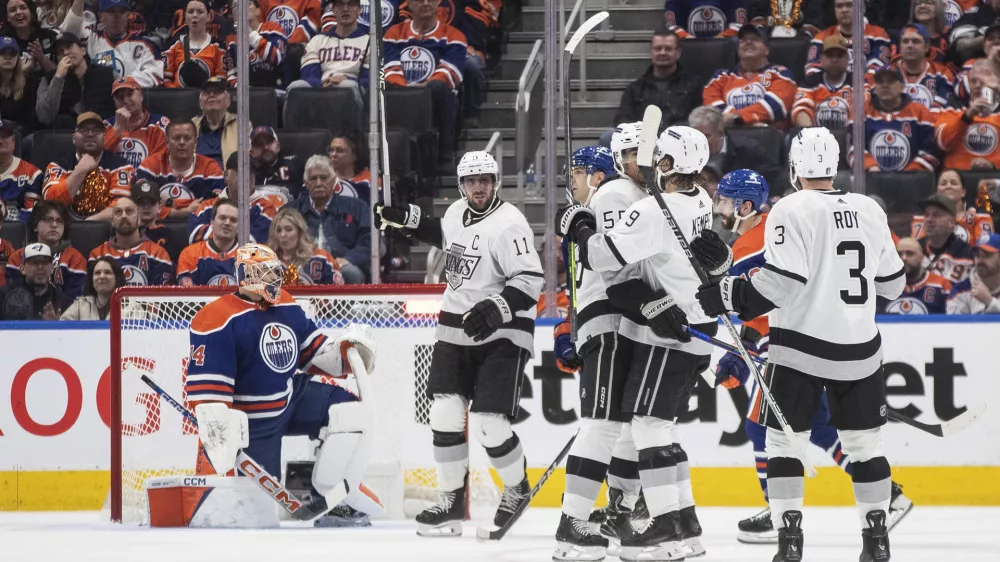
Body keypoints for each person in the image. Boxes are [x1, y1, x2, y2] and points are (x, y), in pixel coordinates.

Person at [692, 127, 905, 562]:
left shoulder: (791, 207)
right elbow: (894, 285)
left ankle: (789, 542)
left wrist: (726, 296)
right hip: (861, 351)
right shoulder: (869, 208)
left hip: (798, 352)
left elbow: (780, 285)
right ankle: (876, 541)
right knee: (866, 448)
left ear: (794, 169)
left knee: (784, 445)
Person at [556, 126, 717, 561]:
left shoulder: (651, 207)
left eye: (647, 153)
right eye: (631, 153)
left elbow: (598, 255)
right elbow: (614, 277)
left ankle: (665, 525)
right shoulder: (678, 198)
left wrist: (579, 227)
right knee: (632, 426)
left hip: (661, 326)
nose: (639, 161)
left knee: (644, 426)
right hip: (630, 319)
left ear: (664, 163)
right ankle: (672, 525)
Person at [373, 151, 543, 536]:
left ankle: (516, 488)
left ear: (495, 182)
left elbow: (531, 281)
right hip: (454, 329)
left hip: (504, 332)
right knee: (444, 415)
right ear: (462, 185)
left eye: (485, 179)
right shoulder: (456, 213)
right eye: (472, 181)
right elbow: (445, 233)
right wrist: (406, 219)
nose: (479, 187)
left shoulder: (510, 224)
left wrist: (497, 306)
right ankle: (450, 502)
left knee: (489, 424)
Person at [184, 243, 382, 524]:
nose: (273, 279)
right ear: (245, 275)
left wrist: (346, 352)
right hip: (251, 424)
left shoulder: (286, 303)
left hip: (290, 399)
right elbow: (211, 399)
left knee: (349, 413)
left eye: (273, 272)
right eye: (264, 273)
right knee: (256, 516)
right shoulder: (215, 319)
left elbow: (313, 353)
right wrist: (223, 440)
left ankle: (332, 502)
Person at [551, 141, 648, 562]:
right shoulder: (608, 201)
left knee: (620, 425)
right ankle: (573, 523)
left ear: (594, 174)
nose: (571, 185)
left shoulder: (606, 196)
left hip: (611, 319)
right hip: (609, 320)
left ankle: (613, 513)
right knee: (606, 424)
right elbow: (595, 272)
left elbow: (602, 262)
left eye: (575, 175)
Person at [383, 0, 467, 162]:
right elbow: (389, 68)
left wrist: (423, 90)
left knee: (440, 88)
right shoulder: (394, 33)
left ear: (438, 4)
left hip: (435, 94)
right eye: (419, 0)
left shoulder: (454, 35)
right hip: (401, 93)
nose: (426, 3)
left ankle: (445, 155)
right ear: (409, 5)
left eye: (430, 0)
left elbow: (451, 72)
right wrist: (409, 90)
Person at [605, 29, 702, 145]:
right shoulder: (635, 89)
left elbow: (698, 117)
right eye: (658, 48)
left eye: (668, 49)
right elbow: (623, 119)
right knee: (607, 137)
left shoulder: (694, 84)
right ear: (651, 53)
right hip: (642, 143)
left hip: (680, 142)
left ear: (678, 53)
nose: (662, 52)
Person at [291, 155, 370, 284]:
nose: (318, 183)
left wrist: (349, 259)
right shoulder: (291, 211)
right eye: (313, 178)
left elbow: (369, 241)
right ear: (305, 183)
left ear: (334, 180)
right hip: (301, 266)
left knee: (350, 273)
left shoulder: (357, 207)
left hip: (344, 266)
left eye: (324, 178)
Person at [42, 111, 134, 221]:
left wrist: (88, 225)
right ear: (73, 138)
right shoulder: (58, 165)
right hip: (64, 229)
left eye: (96, 130)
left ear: (104, 137)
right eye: (83, 130)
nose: (90, 134)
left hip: (107, 230)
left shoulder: (121, 166)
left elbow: (121, 206)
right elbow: (51, 202)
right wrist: (80, 170)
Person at [702, 24, 797, 128]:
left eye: (755, 39)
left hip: (768, 136)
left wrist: (736, 117)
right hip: (728, 135)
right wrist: (740, 121)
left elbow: (777, 106)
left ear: (767, 50)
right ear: (738, 50)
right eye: (743, 40)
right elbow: (711, 106)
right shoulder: (721, 76)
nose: (748, 42)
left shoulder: (781, 73)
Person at [849, 66, 939, 173]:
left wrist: (911, 173)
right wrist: (871, 168)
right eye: (880, 82)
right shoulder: (862, 111)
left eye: (891, 81)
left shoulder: (920, 112)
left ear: (902, 86)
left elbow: (931, 150)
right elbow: (853, 147)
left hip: (912, 183)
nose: (885, 85)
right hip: (872, 181)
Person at [291, 0, 368, 122]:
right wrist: (322, 84)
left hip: (353, 89)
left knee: (348, 86)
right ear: (333, 10)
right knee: (295, 87)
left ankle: (352, 136)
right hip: (321, 86)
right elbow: (308, 73)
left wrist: (348, 80)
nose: (345, 9)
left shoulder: (370, 42)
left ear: (359, 10)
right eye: (340, 5)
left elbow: (370, 79)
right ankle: (294, 137)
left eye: (351, 4)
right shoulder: (318, 40)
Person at [60, 0, 164, 87]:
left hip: (129, 103)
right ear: (101, 17)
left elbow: (155, 75)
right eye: (111, 11)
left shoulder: (144, 45)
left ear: (128, 16)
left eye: (122, 11)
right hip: (96, 103)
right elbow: (68, 31)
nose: (117, 16)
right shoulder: (91, 38)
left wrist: (122, 82)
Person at [137, 119, 225, 219]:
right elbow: (143, 208)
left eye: (187, 138)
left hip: (198, 227)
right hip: (155, 229)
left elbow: (217, 206)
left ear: (196, 142)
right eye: (176, 138)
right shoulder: (150, 165)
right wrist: (185, 211)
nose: (182, 142)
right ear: (167, 142)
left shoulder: (210, 167)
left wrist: (166, 202)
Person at [35, 31, 116, 128]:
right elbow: (45, 117)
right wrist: (58, 78)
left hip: (103, 132)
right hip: (67, 136)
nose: (65, 53)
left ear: (83, 50)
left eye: (69, 47)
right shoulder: (49, 79)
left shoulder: (106, 74)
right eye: (60, 51)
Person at [5, 200, 86, 297]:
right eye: (48, 220)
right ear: (35, 225)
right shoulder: (18, 258)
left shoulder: (75, 259)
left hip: (63, 310)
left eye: (59, 221)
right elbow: (13, 298)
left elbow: (75, 301)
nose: (54, 225)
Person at [688, 106, 782, 190]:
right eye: (696, 136)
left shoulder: (748, 150)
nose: (700, 141)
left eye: (706, 136)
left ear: (720, 132)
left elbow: (774, 180)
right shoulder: (686, 154)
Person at [89, 197, 174, 285]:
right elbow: (90, 295)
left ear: (139, 220)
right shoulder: (97, 254)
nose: (124, 216)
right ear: (112, 222)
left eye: (129, 211)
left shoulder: (158, 254)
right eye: (118, 212)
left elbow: (161, 296)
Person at [935, 60, 1000, 171]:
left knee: (985, 188)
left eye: (983, 81)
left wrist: (993, 166)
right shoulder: (955, 106)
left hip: (992, 178)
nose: (977, 86)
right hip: (958, 180)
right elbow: (943, 142)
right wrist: (968, 116)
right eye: (973, 81)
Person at [806, 0, 891, 79]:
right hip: (832, 92)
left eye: (849, 5)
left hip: (866, 91)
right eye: (839, 6)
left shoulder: (877, 34)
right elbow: (813, 73)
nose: (844, 10)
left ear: (861, 7)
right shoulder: (821, 38)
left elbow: (878, 70)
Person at [103, 76, 169, 169]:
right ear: (114, 101)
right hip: (113, 180)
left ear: (141, 95)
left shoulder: (159, 125)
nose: (125, 101)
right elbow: (99, 159)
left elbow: (161, 162)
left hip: (147, 179)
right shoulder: (107, 125)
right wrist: (117, 128)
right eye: (120, 97)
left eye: (130, 94)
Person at [911, 169, 993, 243]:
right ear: (937, 192)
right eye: (943, 184)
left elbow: (985, 250)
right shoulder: (924, 218)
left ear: (963, 192)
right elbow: (917, 249)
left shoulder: (980, 217)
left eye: (954, 183)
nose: (948, 186)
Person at [268, 207, 343, 286]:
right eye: (278, 230)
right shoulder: (267, 262)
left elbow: (339, 293)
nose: (283, 235)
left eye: (288, 229)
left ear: (300, 232)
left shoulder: (322, 259)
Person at [792, 34, 853, 129]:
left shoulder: (857, 83)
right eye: (830, 55)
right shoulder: (810, 81)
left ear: (847, 59)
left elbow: (861, 115)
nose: (834, 60)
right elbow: (801, 109)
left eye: (839, 56)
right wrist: (812, 136)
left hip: (849, 139)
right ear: (821, 59)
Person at [0, 242, 73, 319]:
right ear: (22, 269)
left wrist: (56, 327)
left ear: (52, 269)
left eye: (45, 262)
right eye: (34, 262)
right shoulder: (4, 295)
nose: (40, 267)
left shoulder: (63, 302)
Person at [176, 198, 240, 286]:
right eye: (222, 218)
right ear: (212, 223)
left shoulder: (252, 257)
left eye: (233, 220)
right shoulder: (190, 254)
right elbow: (188, 295)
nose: (227, 223)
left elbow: (254, 297)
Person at [880, 237, 951, 314]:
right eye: (899, 254)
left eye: (910, 253)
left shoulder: (941, 284)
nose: (904, 258)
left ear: (922, 257)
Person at [163, 0, 226, 88]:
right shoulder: (173, 45)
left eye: (200, 12)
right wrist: (178, 95)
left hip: (208, 98)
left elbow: (221, 81)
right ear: (185, 16)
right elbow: (165, 81)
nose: (195, 15)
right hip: (179, 99)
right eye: (190, 12)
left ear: (208, 17)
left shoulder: (218, 47)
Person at [225, 0, 287, 87]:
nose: (241, 7)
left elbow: (277, 58)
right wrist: (247, 91)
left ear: (258, 11)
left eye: (247, 3)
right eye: (235, 5)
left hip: (274, 89)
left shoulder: (272, 28)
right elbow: (232, 75)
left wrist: (249, 33)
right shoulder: (231, 39)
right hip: (247, 92)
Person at [916, 193, 976, 283]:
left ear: (952, 222)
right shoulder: (913, 251)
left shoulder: (969, 256)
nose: (929, 219)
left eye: (936, 215)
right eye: (926, 215)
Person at [193, 76, 244, 168]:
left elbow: (247, 159)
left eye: (217, 92)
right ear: (200, 103)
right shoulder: (191, 126)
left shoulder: (242, 125)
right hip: (198, 178)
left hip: (229, 179)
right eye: (207, 92)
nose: (211, 95)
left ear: (227, 101)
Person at [947, 231, 1000, 313]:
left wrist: (990, 303)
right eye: (977, 254)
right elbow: (954, 325)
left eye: (987, 255)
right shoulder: (960, 291)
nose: (980, 260)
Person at [1, 0, 59, 75]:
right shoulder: (3, 43)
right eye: (12, 10)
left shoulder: (51, 36)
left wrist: (41, 57)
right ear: (7, 17)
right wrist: (29, 66)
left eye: (23, 7)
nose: (18, 12)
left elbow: (62, 75)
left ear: (31, 12)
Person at [0, 119, 42, 221]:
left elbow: (32, 213)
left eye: (5, 136)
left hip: (16, 233)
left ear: (13, 143)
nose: (0, 141)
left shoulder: (32, 174)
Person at [59, 255, 124, 320]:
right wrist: (54, 324)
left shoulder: (131, 306)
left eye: (107, 272)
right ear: (91, 279)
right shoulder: (80, 306)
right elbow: (62, 327)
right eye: (97, 273)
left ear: (117, 278)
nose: (101, 277)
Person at [0, 35, 40, 135]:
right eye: (2, 53)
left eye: (12, 53)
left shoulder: (28, 84)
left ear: (17, 58)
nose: (8, 57)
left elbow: (29, 122)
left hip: (19, 135)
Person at [327, 135, 372, 202]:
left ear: (354, 155)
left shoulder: (370, 180)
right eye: (331, 150)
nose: (333, 154)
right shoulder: (320, 178)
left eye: (339, 150)